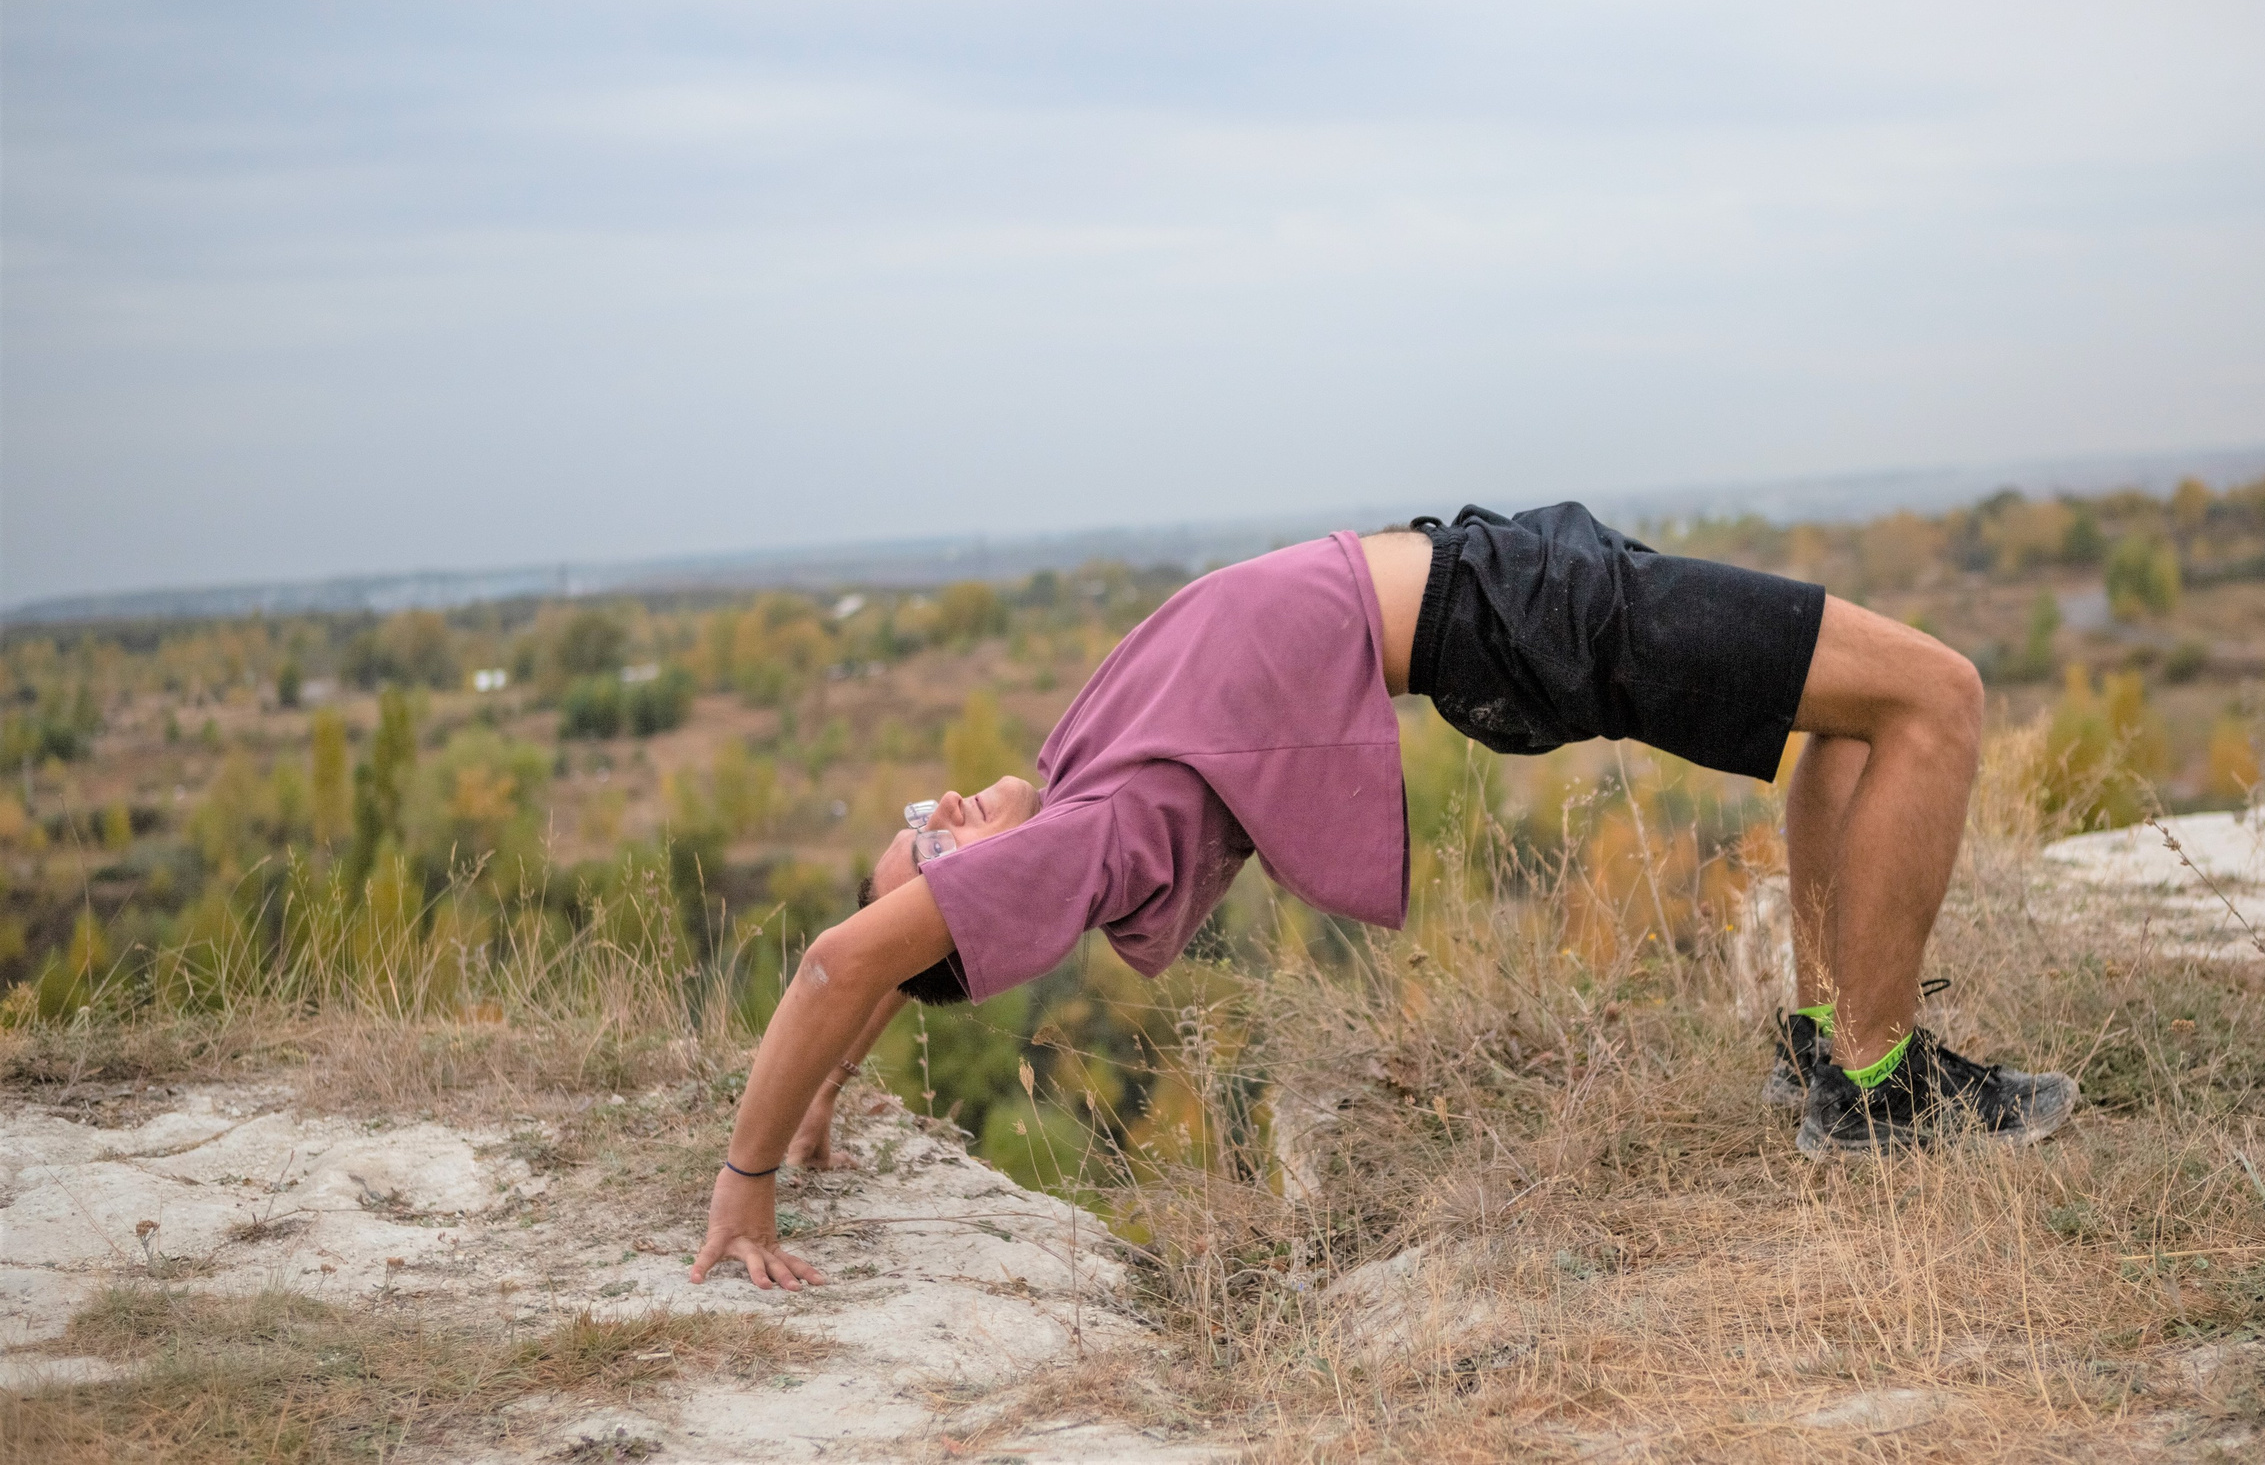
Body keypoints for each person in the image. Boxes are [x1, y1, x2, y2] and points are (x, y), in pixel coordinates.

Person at [690, 503, 2076, 1290]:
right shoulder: (1088, 834)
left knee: (1853, 719)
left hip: (1500, 580)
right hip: (1519, 611)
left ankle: (1836, 1049)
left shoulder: (1078, 773)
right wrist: (745, 1189)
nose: (935, 811)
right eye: (931, 850)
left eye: (913, 822)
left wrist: (825, 1097)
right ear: (986, 899)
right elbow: (845, 960)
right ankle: (1879, 1085)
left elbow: (878, 967)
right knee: (1935, 695)